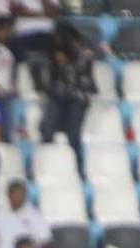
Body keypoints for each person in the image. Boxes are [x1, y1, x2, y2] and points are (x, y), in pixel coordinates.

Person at [41, 22, 95, 157]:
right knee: (47, 129)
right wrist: (58, 64)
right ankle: (46, 159)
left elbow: (81, 78)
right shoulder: (55, 53)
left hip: (78, 96)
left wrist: (65, 64)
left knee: (73, 134)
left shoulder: (85, 53)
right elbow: (52, 79)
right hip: (58, 95)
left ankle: (77, 166)